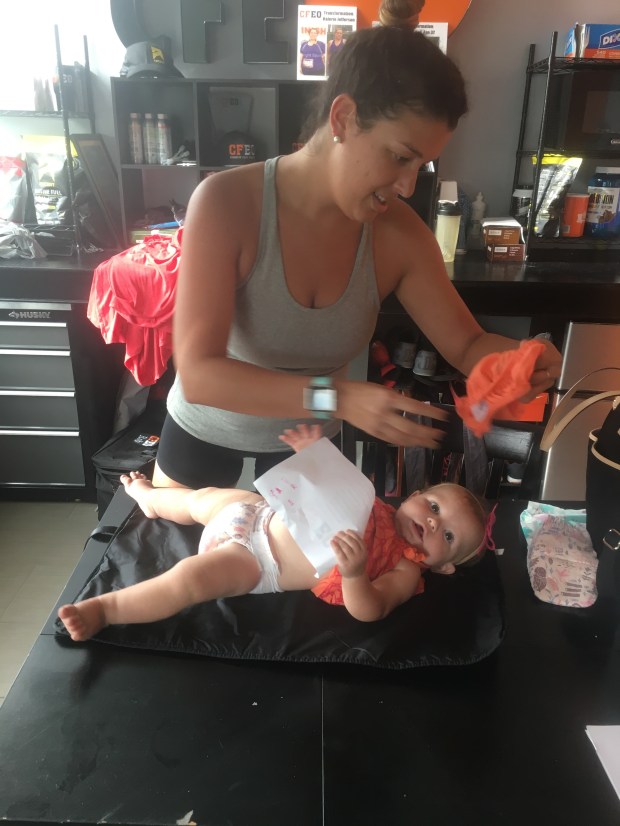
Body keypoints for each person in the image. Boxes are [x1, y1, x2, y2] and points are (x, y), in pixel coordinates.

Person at [155, 24, 562, 492]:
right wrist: (339, 397)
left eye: (421, 165)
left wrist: (521, 359)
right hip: (203, 436)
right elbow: (200, 374)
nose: (408, 186)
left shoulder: (400, 235)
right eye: (400, 156)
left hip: (306, 447)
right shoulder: (227, 203)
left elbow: (468, 346)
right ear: (344, 118)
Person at [58, 424, 493, 642]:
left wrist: (355, 574)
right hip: (257, 511)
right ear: (415, 496)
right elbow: (324, 483)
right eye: (434, 507)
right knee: (199, 500)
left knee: (189, 580)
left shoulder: (406, 569)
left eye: (448, 536)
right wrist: (313, 456)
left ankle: (107, 610)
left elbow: (371, 610)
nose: (433, 523)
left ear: (445, 566)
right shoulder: (371, 497)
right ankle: (152, 499)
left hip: (257, 561)